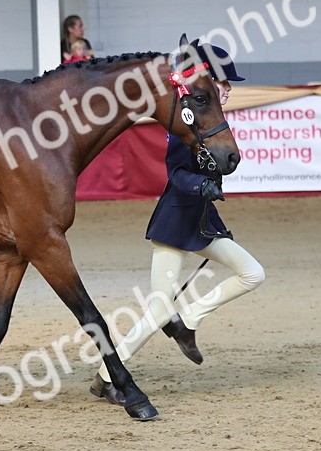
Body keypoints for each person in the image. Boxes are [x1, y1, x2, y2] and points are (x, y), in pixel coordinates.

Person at [90, 43, 266, 405]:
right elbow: (175, 173)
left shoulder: (210, 122)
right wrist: (201, 184)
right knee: (157, 310)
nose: (228, 88)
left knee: (252, 273)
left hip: (201, 224)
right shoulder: (184, 123)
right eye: (223, 82)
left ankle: (188, 320)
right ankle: (108, 375)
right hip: (174, 224)